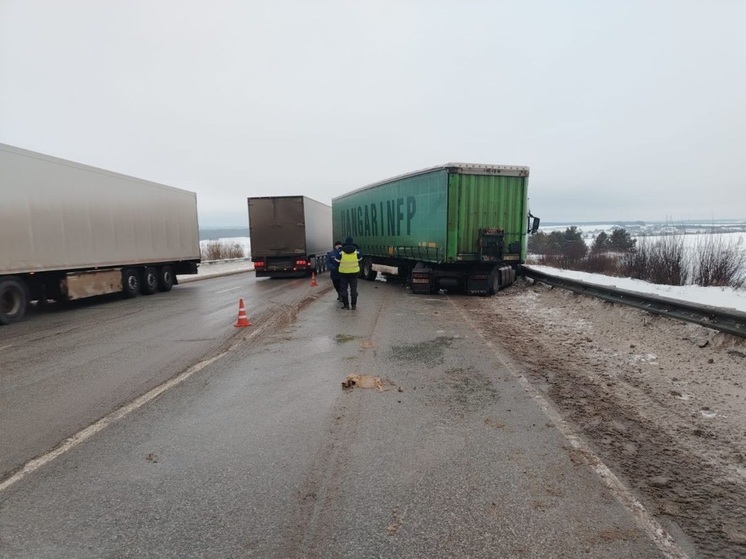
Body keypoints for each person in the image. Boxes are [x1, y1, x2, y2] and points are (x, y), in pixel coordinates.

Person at [335, 236, 362, 310]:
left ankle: (346, 305)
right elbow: (360, 259)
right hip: (354, 273)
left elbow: (336, 260)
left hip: (343, 273)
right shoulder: (357, 251)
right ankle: (354, 305)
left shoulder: (341, 251)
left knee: (344, 289)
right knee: (353, 289)